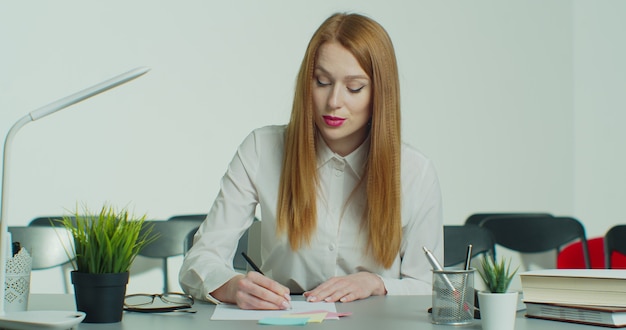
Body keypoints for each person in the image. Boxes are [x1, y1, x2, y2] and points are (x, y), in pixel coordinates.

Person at [179, 12, 443, 310]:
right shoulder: (261, 149)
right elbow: (200, 260)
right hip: (282, 319)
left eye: (354, 87)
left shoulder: (415, 172)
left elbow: (430, 286)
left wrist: (377, 283)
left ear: (380, 93)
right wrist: (231, 286)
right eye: (322, 82)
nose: (333, 101)